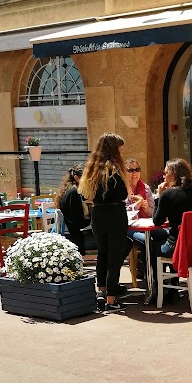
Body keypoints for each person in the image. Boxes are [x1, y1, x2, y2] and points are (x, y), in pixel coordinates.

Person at [78, 133, 132, 312]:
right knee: (114, 257)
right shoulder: (114, 169)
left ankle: (101, 292)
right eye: (120, 149)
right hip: (115, 214)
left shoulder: (93, 168)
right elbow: (122, 194)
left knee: (103, 253)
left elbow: (86, 194)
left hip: (98, 214)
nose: (121, 152)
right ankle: (111, 299)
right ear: (114, 150)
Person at [151, 158, 192, 292]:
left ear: (173, 174)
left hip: (178, 246)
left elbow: (157, 221)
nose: (164, 176)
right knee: (168, 240)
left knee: (154, 248)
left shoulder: (167, 194)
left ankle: (158, 288)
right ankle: (173, 287)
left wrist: (159, 197)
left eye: (166, 173)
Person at [55, 165, 96, 255]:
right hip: (74, 238)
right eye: (88, 178)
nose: (91, 181)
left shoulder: (76, 192)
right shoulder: (73, 194)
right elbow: (77, 222)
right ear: (77, 178)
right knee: (108, 240)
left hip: (76, 234)